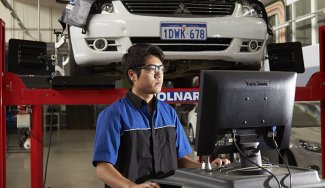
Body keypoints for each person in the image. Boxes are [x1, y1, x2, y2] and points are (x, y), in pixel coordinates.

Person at [93, 43, 230, 188]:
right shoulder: (113, 115)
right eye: (152, 69)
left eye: (161, 69)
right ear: (132, 75)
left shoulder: (169, 113)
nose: (159, 75)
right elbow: (103, 168)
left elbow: (180, 160)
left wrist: (206, 167)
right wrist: (132, 186)